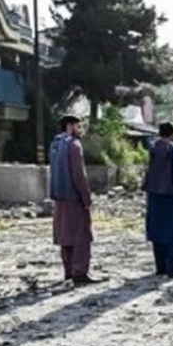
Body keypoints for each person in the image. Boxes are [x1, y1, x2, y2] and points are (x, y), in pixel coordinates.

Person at [48, 114, 100, 285]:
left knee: (65, 236)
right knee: (81, 236)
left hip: (59, 196)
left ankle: (68, 271)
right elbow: (79, 175)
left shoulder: (55, 144)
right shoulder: (74, 145)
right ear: (70, 126)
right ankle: (80, 272)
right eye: (79, 126)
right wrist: (86, 197)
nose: (81, 130)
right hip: (73, 197)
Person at [143, 122, 173, 279]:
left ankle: (160, 266)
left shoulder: (154, 147)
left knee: (157, 230)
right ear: (172, 133)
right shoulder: (172, 148)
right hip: (170, 193)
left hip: (154, 193)